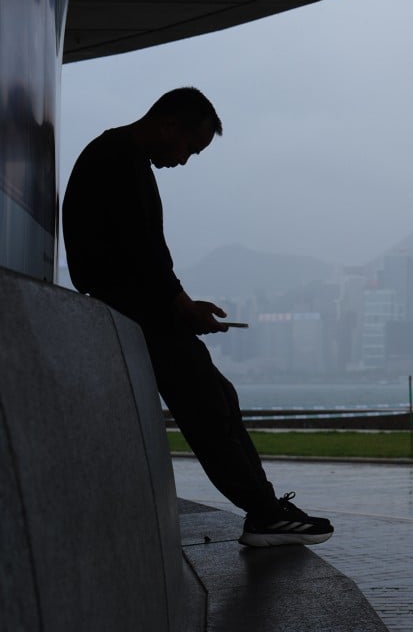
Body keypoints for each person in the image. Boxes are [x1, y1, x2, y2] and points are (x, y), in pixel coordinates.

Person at [62, 87, 333, 548]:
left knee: (219, 400)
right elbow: (143, 249)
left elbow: (137, 250)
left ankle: (265, 508)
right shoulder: (120, 158)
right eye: (191, 147)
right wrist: (180, 304)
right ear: (169, 125)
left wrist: (180, 304)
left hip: (134, 308)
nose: (185, 160)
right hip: (139, 312)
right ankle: (264, 514)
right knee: (210, 408)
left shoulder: (112, 155)